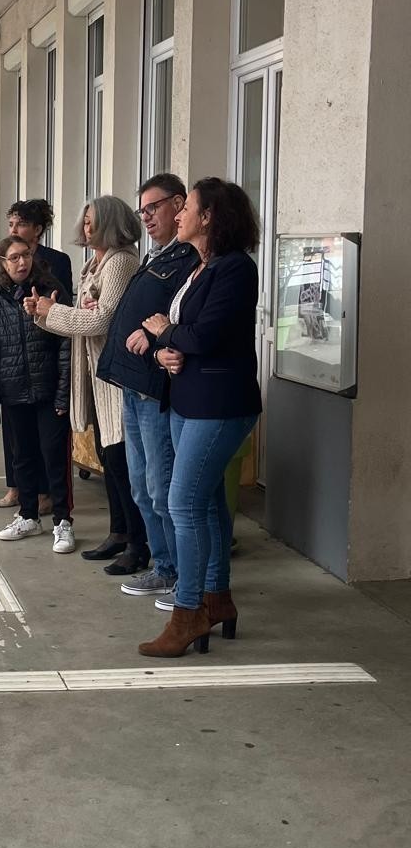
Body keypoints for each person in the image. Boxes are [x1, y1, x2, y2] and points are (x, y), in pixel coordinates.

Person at [136, 178, 262, 658]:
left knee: (183, 503)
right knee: (206, 503)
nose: (179, 213)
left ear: (208, 217)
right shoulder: (200, 266)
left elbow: (204, 335)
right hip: (188, 398)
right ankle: (217, 597)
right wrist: (165, 348)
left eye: (186, 207)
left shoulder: (235, 268)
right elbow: (184, 336)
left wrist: (167, 332)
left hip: (219, 403)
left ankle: (187, 611)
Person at [28, 196, 147, 575]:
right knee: (107, 457)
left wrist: (55, 312)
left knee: (120, 461)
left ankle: (137, 543)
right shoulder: (94, 263)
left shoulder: (121, 262)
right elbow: (85, 318)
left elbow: (101, 320)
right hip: (97, 375)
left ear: (111, 223)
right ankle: (119, 532)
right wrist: (44, 315)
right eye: (84, 220)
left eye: (92, 220)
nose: (86, 226)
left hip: (115, 377)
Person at [97, 174, 199, 605]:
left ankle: (179, 574)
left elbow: (185, 318)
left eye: (153, 208)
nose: (146, 217)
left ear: (179, 204)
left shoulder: (190, 258)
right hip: (133, 383)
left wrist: (157, 336)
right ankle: (163, 566)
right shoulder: (160, 254)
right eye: (142, 211)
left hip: (156, 389)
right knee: (141, 486)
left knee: (162, 487)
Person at [0, 237, 75, 553]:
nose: (22, 262)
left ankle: (62, 521)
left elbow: (66, 345)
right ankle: (28, 515)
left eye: (26, 255)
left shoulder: (51, 289)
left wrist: (63, 394)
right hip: (13, 391)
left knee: (54, 457)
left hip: (48, 390)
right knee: (22, 457)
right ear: (3, 263)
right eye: (14, 257)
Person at [7, 199, 74, 299]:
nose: (13, 230)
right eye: (11, 225)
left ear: (37, 230)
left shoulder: (58, 260)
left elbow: (65, 301)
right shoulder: (6, 257)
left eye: (21, 224)